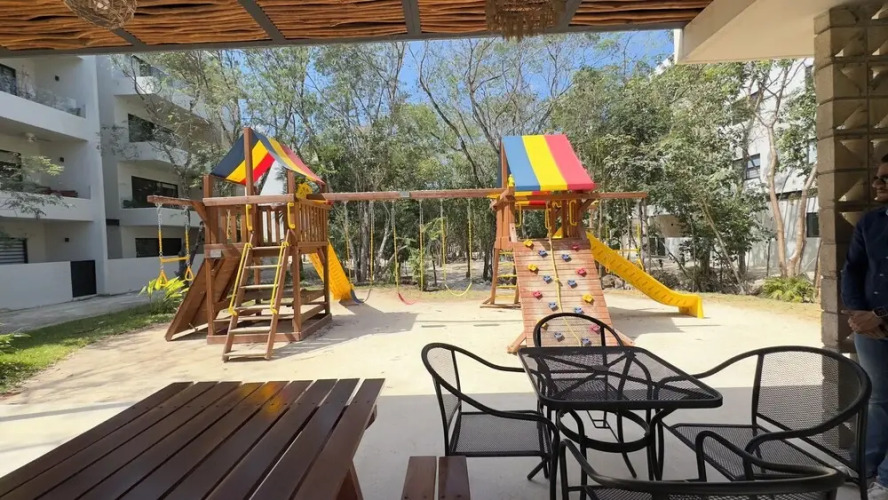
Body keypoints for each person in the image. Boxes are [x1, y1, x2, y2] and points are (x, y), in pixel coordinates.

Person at [842, 156, 888, 500]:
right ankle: (866, 466)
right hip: (870, 330)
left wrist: (881, 314)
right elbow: (853, 269)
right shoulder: (871, 222)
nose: (877, 184)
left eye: (885, 178)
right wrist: (858, 314)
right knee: (878, 399)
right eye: (877, 177)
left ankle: (886, 479)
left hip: (879, 319)